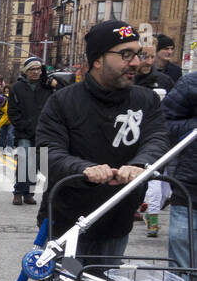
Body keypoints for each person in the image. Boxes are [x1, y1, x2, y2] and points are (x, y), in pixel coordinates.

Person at [37, 20, 170, 265]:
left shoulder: (146, 100)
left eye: (137, 54)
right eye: (125, 54)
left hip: (117, 221)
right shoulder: (62, 102)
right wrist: (83, 169)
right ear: (98, 59)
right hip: (67, 223)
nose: (136, 62)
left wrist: (140, 164)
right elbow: (47, 153)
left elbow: (157, 139)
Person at [136, 47, 175, 236]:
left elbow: (176, 108)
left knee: (160, 184)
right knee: (151, 181)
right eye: (144, 56)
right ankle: (150, 216)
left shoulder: (165, 81)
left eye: (152, 57)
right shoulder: (129, 80)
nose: (148, 61)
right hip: (133, 136)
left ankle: (151, 214)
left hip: (159, 136)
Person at [7, 57, 53, 206]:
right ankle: (19, 192)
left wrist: (49, 78)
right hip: (24, 133)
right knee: (25, 162)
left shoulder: (47, 86)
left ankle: (29, 193)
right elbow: (12, 112)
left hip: (42, 132)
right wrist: (24, 126)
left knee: (36, 164)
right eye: (32, 69)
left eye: (38, 69)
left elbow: (67, 87)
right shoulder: (17, 88)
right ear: (26, 72)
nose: (35, 72)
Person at [163, 69, 197, 265]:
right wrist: (194, 128)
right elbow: (163, 126)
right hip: (189, 192)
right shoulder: (190, 83)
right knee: (182, 268)